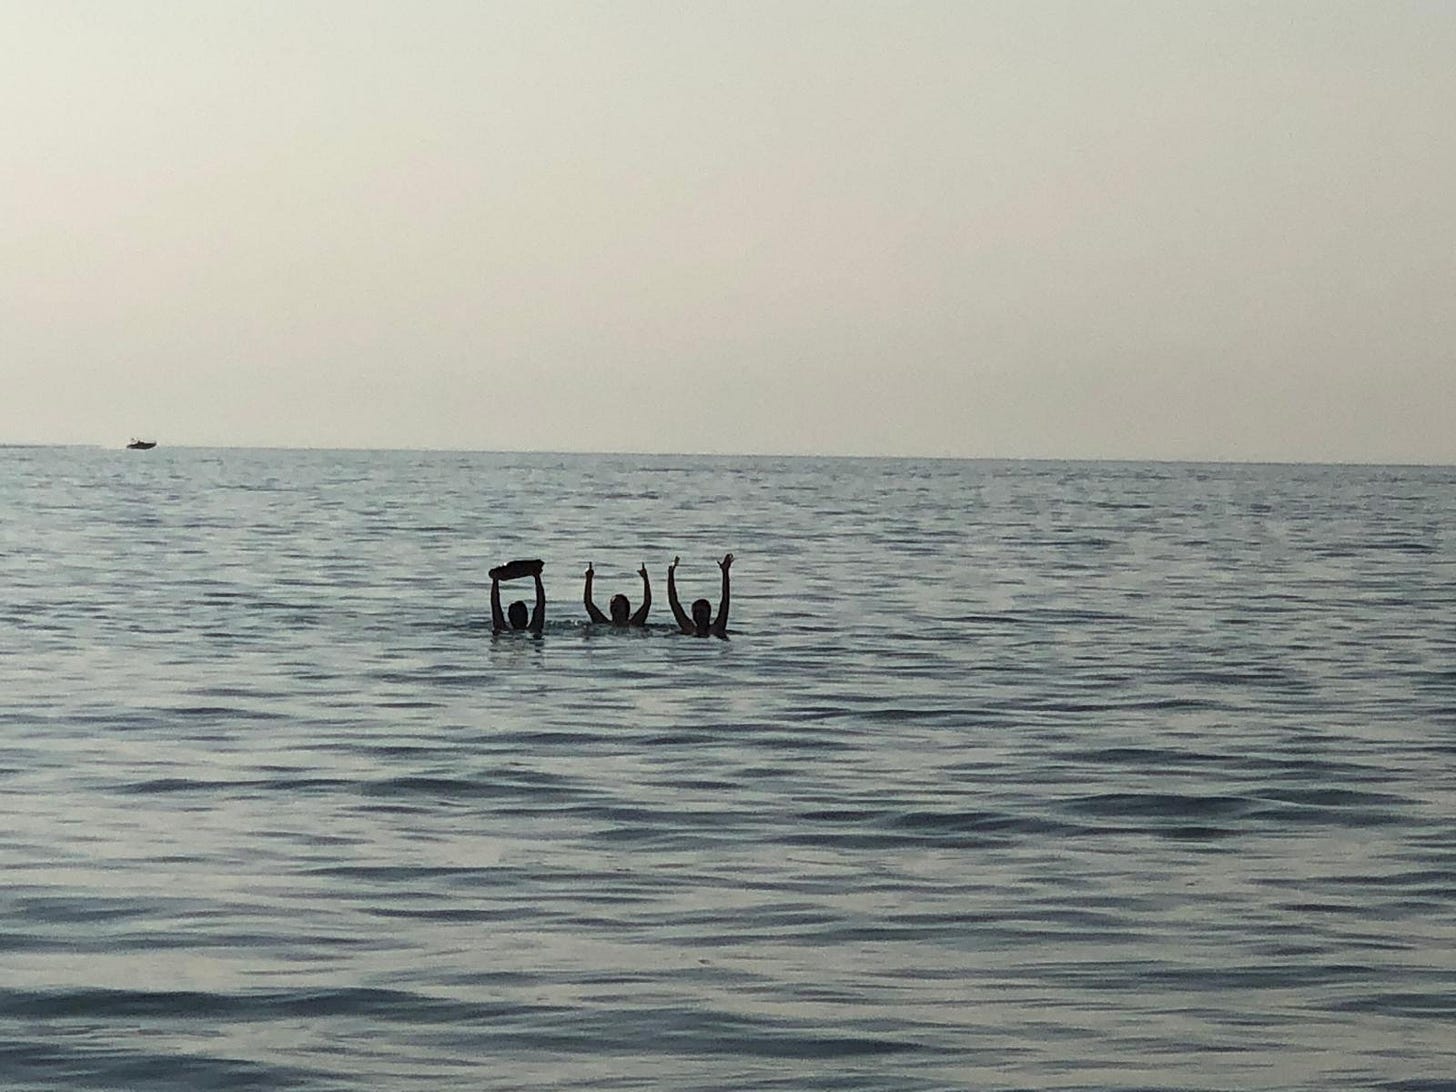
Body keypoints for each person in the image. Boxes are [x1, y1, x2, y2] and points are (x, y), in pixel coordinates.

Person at [668, 553, 733, 637]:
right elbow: (673, 602)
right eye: (696, 612)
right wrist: (670, 574)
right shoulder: (688, 627)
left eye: (702, 612)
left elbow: (725, 601)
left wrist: (725, 572)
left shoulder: (716, 628)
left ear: (709, 613)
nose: (699, 615)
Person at [584, 563, 651, 627]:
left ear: (626, 609)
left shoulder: (635, 622)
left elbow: (647, 603)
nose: (615, 607)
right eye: (613, 604)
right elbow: (588, 603)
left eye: (618, 605)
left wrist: (645, 578)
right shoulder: (603, 622)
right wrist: (589, 579)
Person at [492, 567, 545, 636]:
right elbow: (540, 604)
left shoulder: (502, 629)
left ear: (509, 617)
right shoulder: (534, 628)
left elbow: (495, 606)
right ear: (526, 617)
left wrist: (495, 580)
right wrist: (537, 577)